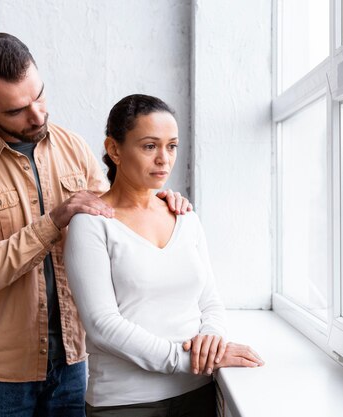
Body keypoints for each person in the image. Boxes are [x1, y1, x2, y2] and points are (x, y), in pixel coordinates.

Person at [0, 33, 191, 417]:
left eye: (39, 96)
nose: (37, 115)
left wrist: (157, 203)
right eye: (16, 110)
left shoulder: (72, 146)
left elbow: (115, 221)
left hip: (73, 363)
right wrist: (54, 220)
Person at [64, 94, 264, 417]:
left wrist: (212, 341)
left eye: (171, 146)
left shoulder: (185, 216)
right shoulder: (90, 224)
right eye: (149, 146)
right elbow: (102, 324)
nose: (164, 159)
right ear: (114, 149)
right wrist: (184, 360)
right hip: (125, 403)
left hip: (199, 391)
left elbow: (209, 301)